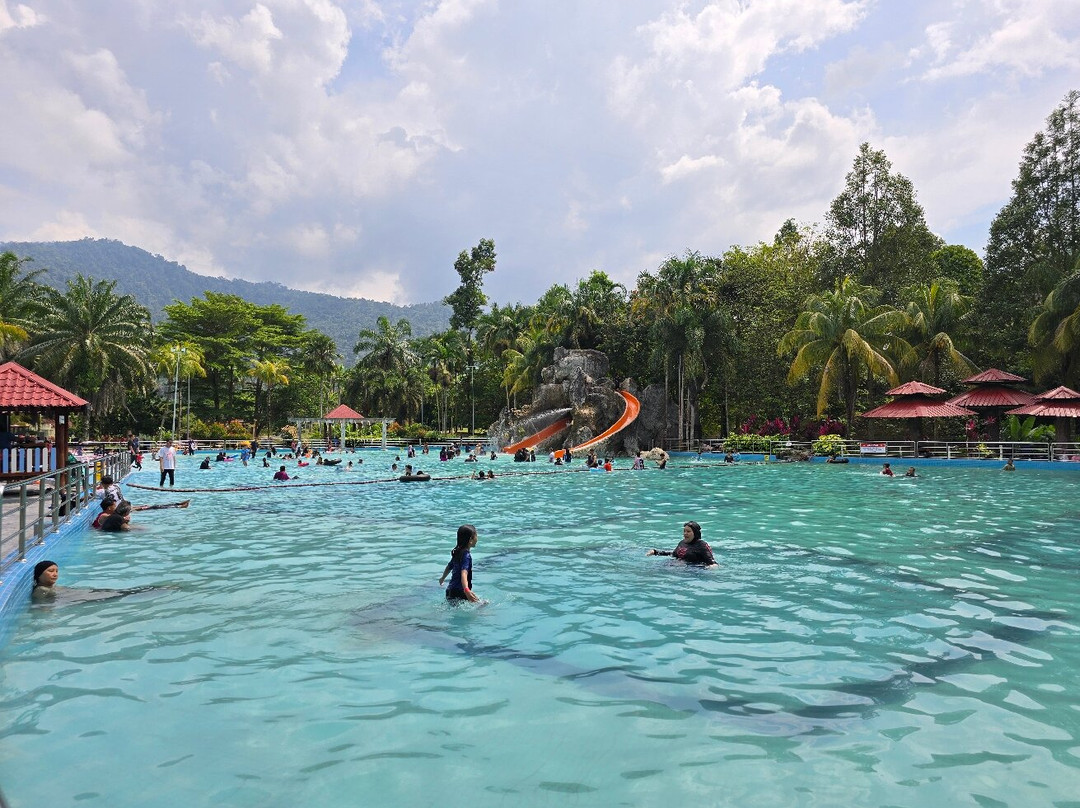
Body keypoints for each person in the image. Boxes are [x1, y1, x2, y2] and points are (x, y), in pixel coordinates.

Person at [439, 524, 482, 603]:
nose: (477, 538)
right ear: (470, 540)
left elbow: (449, 567)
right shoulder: (466, 556)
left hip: (450, 591)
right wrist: (466, 590)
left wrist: (442, 578)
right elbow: (464, 574)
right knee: (482, 604)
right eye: (476, 535)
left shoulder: (458, 553)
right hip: (461, 592)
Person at [646, 521, 717, 567]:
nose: (685, 533)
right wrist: (656, 552)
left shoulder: (702, 545)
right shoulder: (682, 543)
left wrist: (713, 566)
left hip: (693, 570)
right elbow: (673, 554)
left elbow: (711, 561)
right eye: (684, 531)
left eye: (688, 531)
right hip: (678, 565)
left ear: (695, 533)